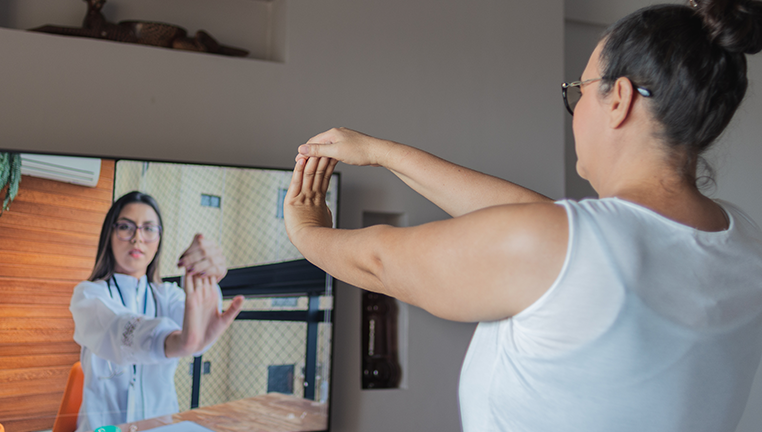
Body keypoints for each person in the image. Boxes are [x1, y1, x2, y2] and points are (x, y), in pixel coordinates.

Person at [283, 1, 762, 431]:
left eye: (579, 90)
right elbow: (543, 224)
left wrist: (305, 231)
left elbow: (380, 263)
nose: (574, 111)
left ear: (619, 99)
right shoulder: (742, 242)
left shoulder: (569, 246)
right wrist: (381, 152)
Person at [69, 191, 244, 432]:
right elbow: (118, 328)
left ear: (159, 239)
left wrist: (206, 279)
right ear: (109, 233)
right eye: (125, 227)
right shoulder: (88, 295)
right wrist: (175, 341)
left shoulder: (169, 295)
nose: (137, 238)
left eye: (149, 228)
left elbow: (196, 337)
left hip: (161, 426)